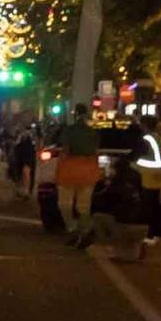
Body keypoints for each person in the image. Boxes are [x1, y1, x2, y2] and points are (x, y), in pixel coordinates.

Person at [55, 104, 101, 243]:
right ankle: (84, 230)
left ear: (75, 114)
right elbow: (96, 150)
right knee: (84, 205)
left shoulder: (69, 131)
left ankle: (72, 228)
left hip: (70, 169)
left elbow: (65, 150)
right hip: (88, 170)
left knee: (64, 204)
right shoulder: (93, 132)